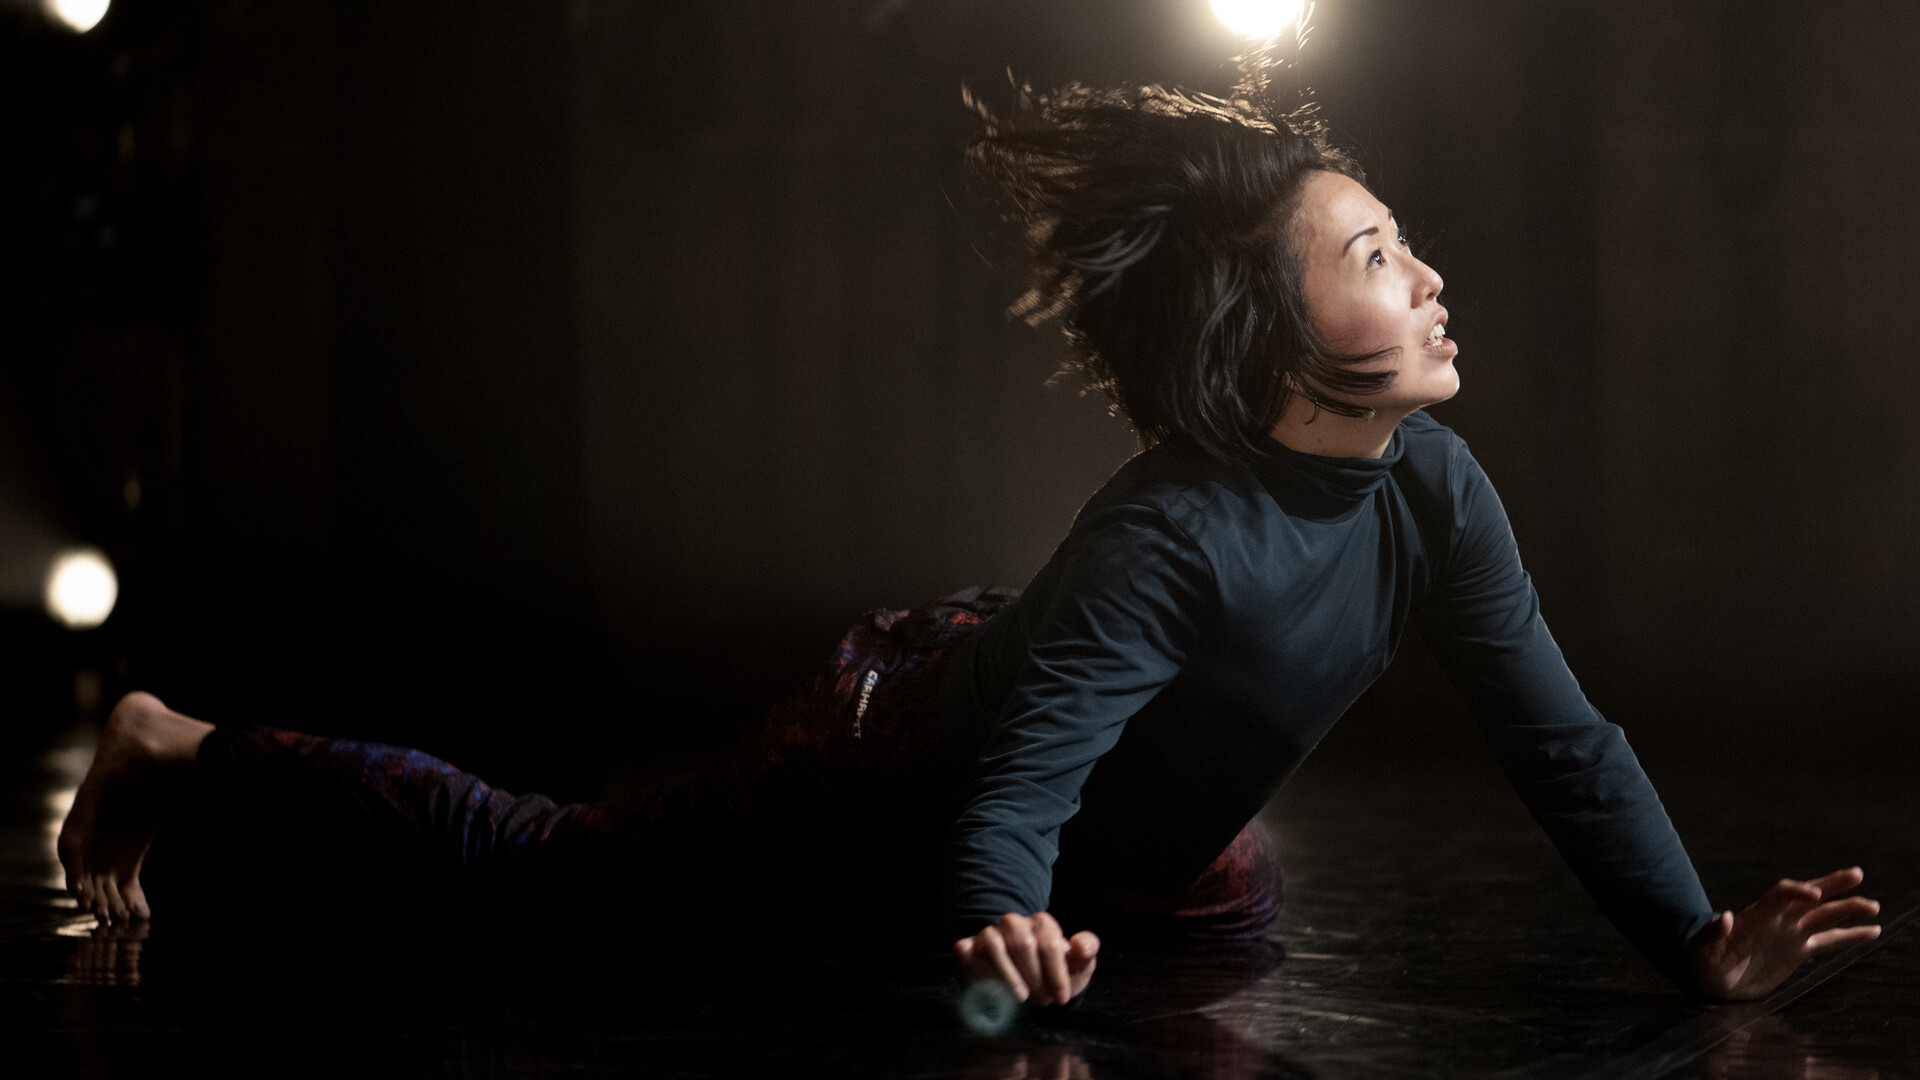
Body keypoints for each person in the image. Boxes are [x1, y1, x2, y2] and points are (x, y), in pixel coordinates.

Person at [58, 78, 1880, 1011]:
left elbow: (1560, 738)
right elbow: (1011, 790)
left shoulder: (1436, 490)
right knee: (548, 881)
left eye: (1405, 242)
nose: (1429, 277)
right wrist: (1004, 914)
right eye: (1379, 255)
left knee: (1173, 940)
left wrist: (1691, 937)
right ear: (1267, 342)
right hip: (892, 765)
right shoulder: (1165, 540)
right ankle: (185, 749)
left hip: (1138, 848)